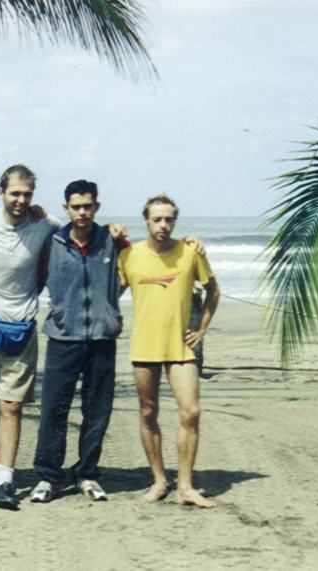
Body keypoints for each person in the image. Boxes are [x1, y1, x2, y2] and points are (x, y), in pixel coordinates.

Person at [0, 164, 62, 510]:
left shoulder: (44, 225)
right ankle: (0, 471)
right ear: (0, 193)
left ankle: (5, 480)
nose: (21, 200)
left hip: (22, 329)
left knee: (12, 405)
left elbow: (82, 233)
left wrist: (116, 233)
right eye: (15, 193)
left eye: (27, 194)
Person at [118, 193, 220, 508]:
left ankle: (185, 487)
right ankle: (160, 481)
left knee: (191, 412)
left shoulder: (190, 252)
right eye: (157, 219)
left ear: (175, 221)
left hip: (180, 346)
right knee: (148, 412)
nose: (163, 225)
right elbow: (108, 293)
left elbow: (213, 291)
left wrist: (201, 329)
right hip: (145, 346)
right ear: (146, 221)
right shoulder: (129, 255)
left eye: (169, 219)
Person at [29, 180, 125, 503]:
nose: (82, 212)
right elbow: (36, 280)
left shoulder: (112, 241)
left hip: (101, 338)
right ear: (65, 208)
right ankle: (48, 476)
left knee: (97, 410)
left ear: (97, 207)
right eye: (76, 206)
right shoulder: (51, 242)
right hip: (63, 337)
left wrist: (108, 309)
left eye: (88, 206)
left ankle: (86, 473)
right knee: (54, 410)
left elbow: (141, 266)